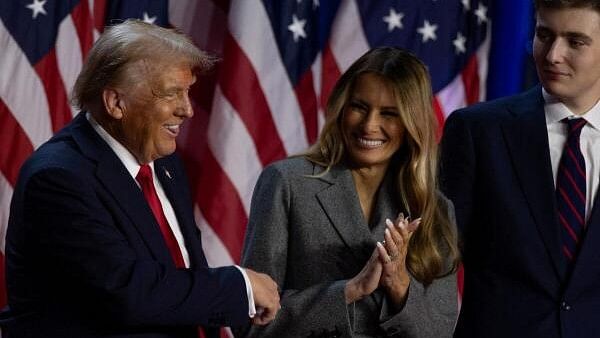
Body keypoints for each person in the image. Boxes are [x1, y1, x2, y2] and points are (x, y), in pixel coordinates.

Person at [4, 20, 280, 338]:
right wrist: (238, 286)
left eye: (187, 92)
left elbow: (180, 269)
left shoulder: (163, 163)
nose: (187, 110)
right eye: (172, 93)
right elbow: (126, 289)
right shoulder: (58, 178)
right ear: (116, 103)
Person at [236, 47, 460, 338]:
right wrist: (349, 291)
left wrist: (399, 283)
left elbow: (440, 333)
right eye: (360, 107)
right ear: (342, 107)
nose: (369, 125)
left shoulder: (435, 210)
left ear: (411, 124)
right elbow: (250, 322)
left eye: (389, 114)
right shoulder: (287, 183)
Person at [441, 0, 600, 337]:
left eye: (575, 41)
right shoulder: (478, 131)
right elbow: (436, 258)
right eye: (544, 35)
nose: (553, 54)